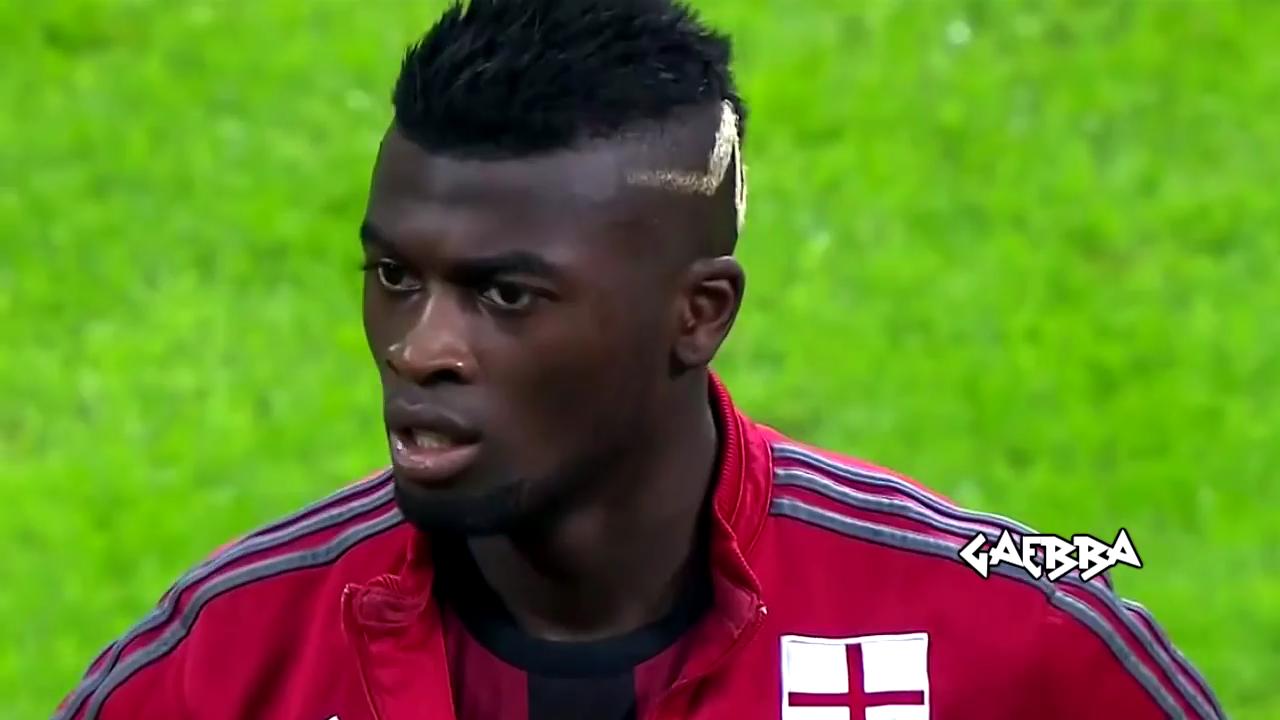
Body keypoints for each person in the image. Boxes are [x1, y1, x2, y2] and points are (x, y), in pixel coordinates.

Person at [56, 1, 1224, 718]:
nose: (420, 349)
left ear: (697, 315)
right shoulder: (232, 662)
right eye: (396, 277)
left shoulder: (1003, 643)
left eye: (505, 295)